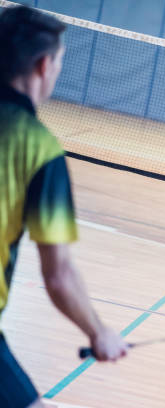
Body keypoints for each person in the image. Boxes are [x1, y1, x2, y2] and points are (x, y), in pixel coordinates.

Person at [0, 6, 127, 407]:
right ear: (43, 65)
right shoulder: (38, 148)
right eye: (59, 62)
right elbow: (58, 276)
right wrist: (99, 332)